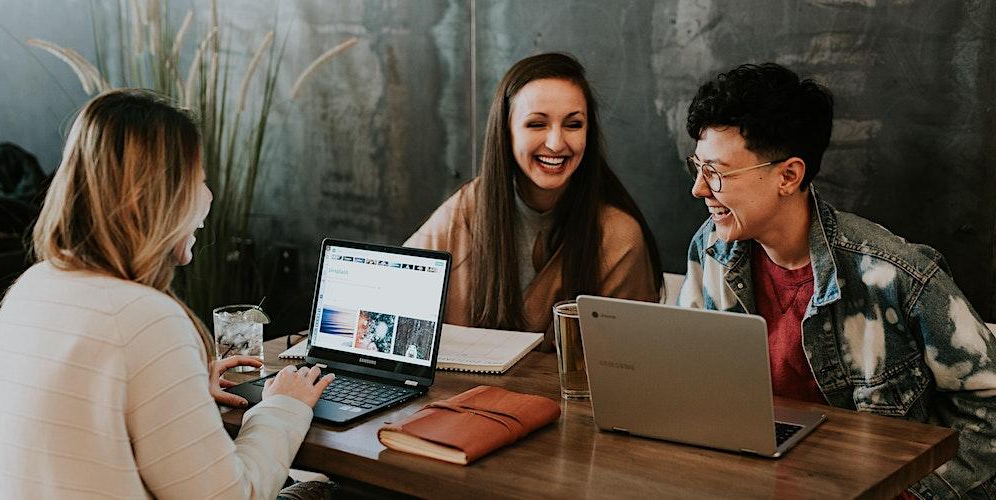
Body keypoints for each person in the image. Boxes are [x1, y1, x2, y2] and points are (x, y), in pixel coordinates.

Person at [676, 62, 996, 498]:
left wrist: (907, 492)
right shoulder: (711, 249)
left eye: (717, 172)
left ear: (788, 176)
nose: (698, 188)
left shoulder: (894, 274)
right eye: (697, 165)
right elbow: (685, 378)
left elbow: (988, 408)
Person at [0, 89, 335, 498]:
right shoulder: (145, 318)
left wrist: (181, 387)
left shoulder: (31, 288)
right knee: (324, 490)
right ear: (153, 198)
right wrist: (284, 406)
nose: (208, 199)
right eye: (199, 181)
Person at [405, 52, 662, 349]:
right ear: (506, 132)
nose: (556, 143)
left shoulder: (619, 236)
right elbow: (393, 294)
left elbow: (630, 362)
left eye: (573, 125)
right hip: (462, 394)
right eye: (537, 125)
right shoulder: (465, 209)